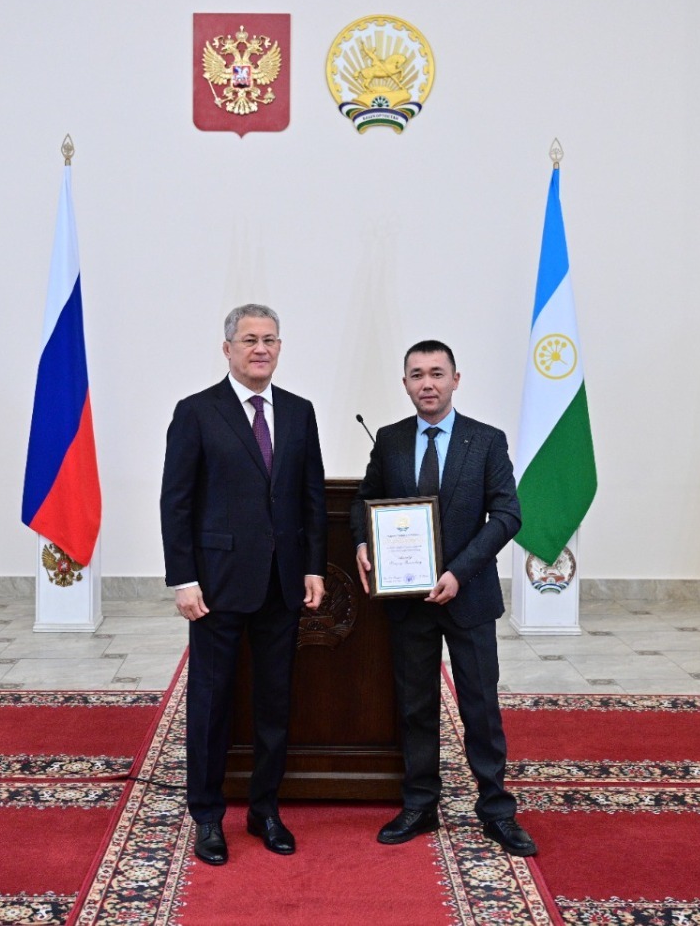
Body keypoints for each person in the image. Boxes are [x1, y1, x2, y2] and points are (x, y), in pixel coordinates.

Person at [350, 340, 536, 857]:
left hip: (468, 595)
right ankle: (420, 804)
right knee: (415, 706)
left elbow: (507, 515)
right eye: (417, 375)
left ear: (456, 379)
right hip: (408, 598)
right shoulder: (390, 440)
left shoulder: (486, 440)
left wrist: (459, 571)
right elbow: (365, 501)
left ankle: (496, 809)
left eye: (436, 373)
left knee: (480, 706)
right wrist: (364, 542)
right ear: (405, 384)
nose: (427, 383)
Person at [160, 303, 327, 866]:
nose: (261, 349)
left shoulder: (300, 412)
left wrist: (313, 566)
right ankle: (208, 815)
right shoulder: (196, 412)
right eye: (250, 339)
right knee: (211, 703)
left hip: (282, 584)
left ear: (280, 348)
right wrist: (184, 578)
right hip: (216, 586)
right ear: (227, 348)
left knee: (274, 702)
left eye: (270, 339)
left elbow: (310, 496)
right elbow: (176, 502)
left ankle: (265, 809)